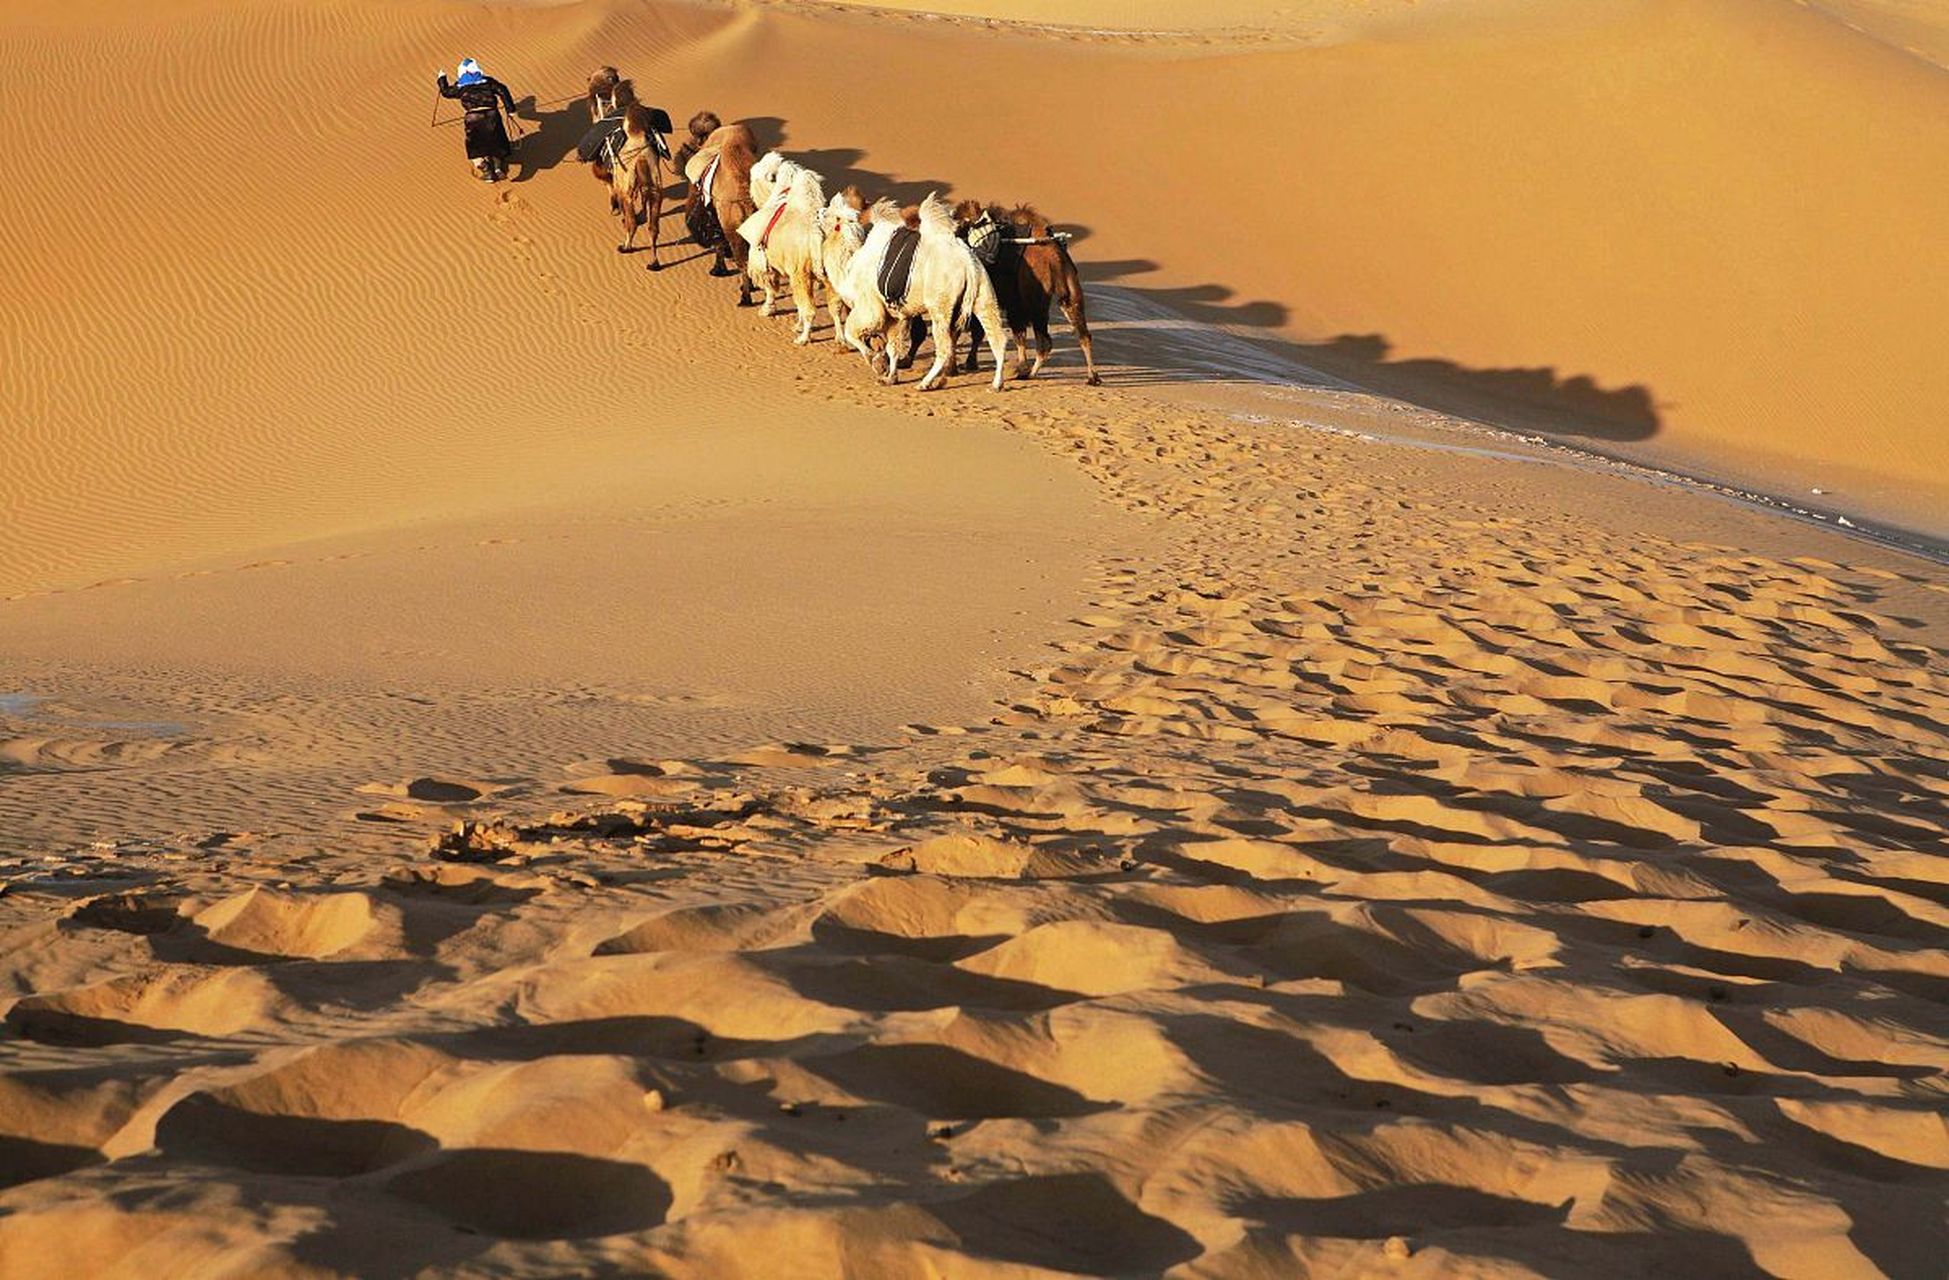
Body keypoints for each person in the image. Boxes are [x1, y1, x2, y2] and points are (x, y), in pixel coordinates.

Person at [436, 58, 519, 182]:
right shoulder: (488, 81)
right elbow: (502, 90)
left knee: (474, 146)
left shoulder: (459, 86)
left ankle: (487, 170)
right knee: (498, 139)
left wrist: (442, 79)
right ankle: (497, 167)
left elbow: (446, 92)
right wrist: (510, 109)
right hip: (492, 115)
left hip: (473, 119)